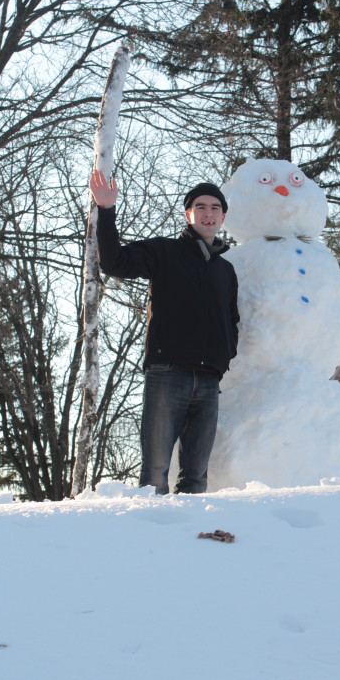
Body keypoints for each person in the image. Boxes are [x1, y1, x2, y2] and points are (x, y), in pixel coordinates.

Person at [89, 169, 239, 494]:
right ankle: (151, 540)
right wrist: (106, 210)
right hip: (168, 374)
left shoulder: (226, 270)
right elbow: (114, 262)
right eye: (201, 207)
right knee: (155, 474)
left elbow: (231, 320)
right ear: (189, 214)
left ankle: (192, 543)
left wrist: (222, 360)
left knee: (197, 477)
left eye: (215, 208)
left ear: (223, 216)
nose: (208, 213)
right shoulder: (164, 252)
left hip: (209, 381)